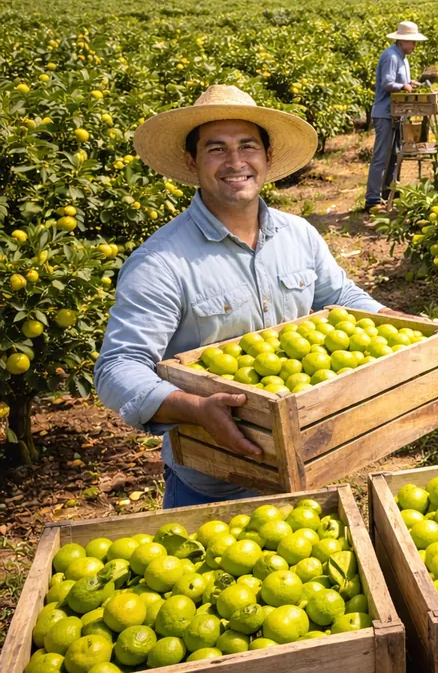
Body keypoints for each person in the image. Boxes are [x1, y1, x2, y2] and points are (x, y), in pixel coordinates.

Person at [97, 85, 410, 507]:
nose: (235, 162)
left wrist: (396, 321)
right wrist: (193, 408)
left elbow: (339, 293)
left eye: (247, 146)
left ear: (266, 157)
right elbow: (119, 367)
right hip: (215, 482)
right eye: (216, 149)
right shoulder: (161, 262)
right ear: (192, 161)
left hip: (310, 462)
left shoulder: (299, 234)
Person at [366, 20, 427, 210]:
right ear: (402, 41)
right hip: (385, 113)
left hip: (397, 114)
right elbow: (387, 83)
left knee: (395, 155)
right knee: (381, 156)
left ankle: (389, 192)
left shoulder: (403, 57)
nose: (414, 46)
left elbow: (400, 80)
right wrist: (402, 86)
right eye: (412, 42)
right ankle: (372, 200)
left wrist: (409, 82)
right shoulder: (391, 56)